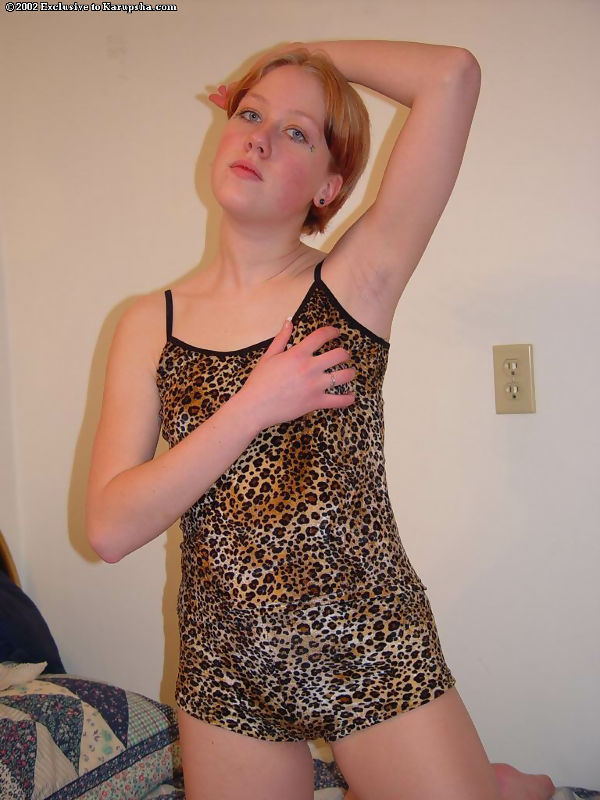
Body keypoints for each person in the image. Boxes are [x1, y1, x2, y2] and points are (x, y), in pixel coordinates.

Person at [86, 40, 555, 800]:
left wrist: (298, 55)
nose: (260, 139)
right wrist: (255, 405)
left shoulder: (354, 282)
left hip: (371, 644)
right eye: (251, 114)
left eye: (297, 132)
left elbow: (452, 76)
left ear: (329, 186)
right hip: (226, 666)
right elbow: (109, 529)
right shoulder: (149, 322)